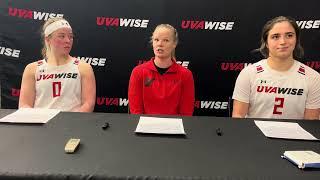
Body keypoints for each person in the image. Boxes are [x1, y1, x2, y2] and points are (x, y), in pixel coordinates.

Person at [232, 16, 320, 120]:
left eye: (289, 35)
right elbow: (238, 117)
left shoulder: (313, 77)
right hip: (254, 135)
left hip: (295, 136)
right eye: (275, 36)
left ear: (296, 39)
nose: (283, 42)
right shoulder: (249, 74)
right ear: (266, 43)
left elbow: (311, 123)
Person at [19, 17, 96, 112]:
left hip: (72, 125)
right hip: (41, 124)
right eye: (62, 36)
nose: (68, 40)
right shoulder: (32, 68)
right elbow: (24, 105)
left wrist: (70, 123)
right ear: (48, 40)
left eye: (70, 36)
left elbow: (88, 104)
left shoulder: (83, 68)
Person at [128, 24, 195, 116]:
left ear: (174, 44)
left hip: (174, 128)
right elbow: (136, 112)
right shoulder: (138, 72)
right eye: (156, 40)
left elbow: (186, 113)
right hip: (145, 128)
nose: (160, 44)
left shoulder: (185, 75)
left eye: (166, 40)